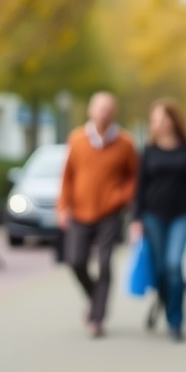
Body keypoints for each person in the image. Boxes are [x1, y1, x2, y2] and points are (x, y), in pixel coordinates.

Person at [56, 91, 139, 340]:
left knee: (104, 263)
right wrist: (62, 207)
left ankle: (97, 318)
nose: (104, 113)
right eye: (99, 108)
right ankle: (96, 298)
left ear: (113, 113)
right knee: (75, 261)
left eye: (108, 109)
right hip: (80, 211)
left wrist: (122, 197)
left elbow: (134, 176)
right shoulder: (77, 139)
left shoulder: (124, 142)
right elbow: (67, 176)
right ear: (91, 111)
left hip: (109, 213)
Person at [130, 98, 186, 343]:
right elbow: (139, 187)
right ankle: (163, 300)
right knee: (161, 268)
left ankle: (176, 321)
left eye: (163, 118)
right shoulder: (148, 151)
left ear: (173, 120)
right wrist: (136, 218)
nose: (159, 123)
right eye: (154, 120)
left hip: (181, 216)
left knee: (174, 265)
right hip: (153, 216)